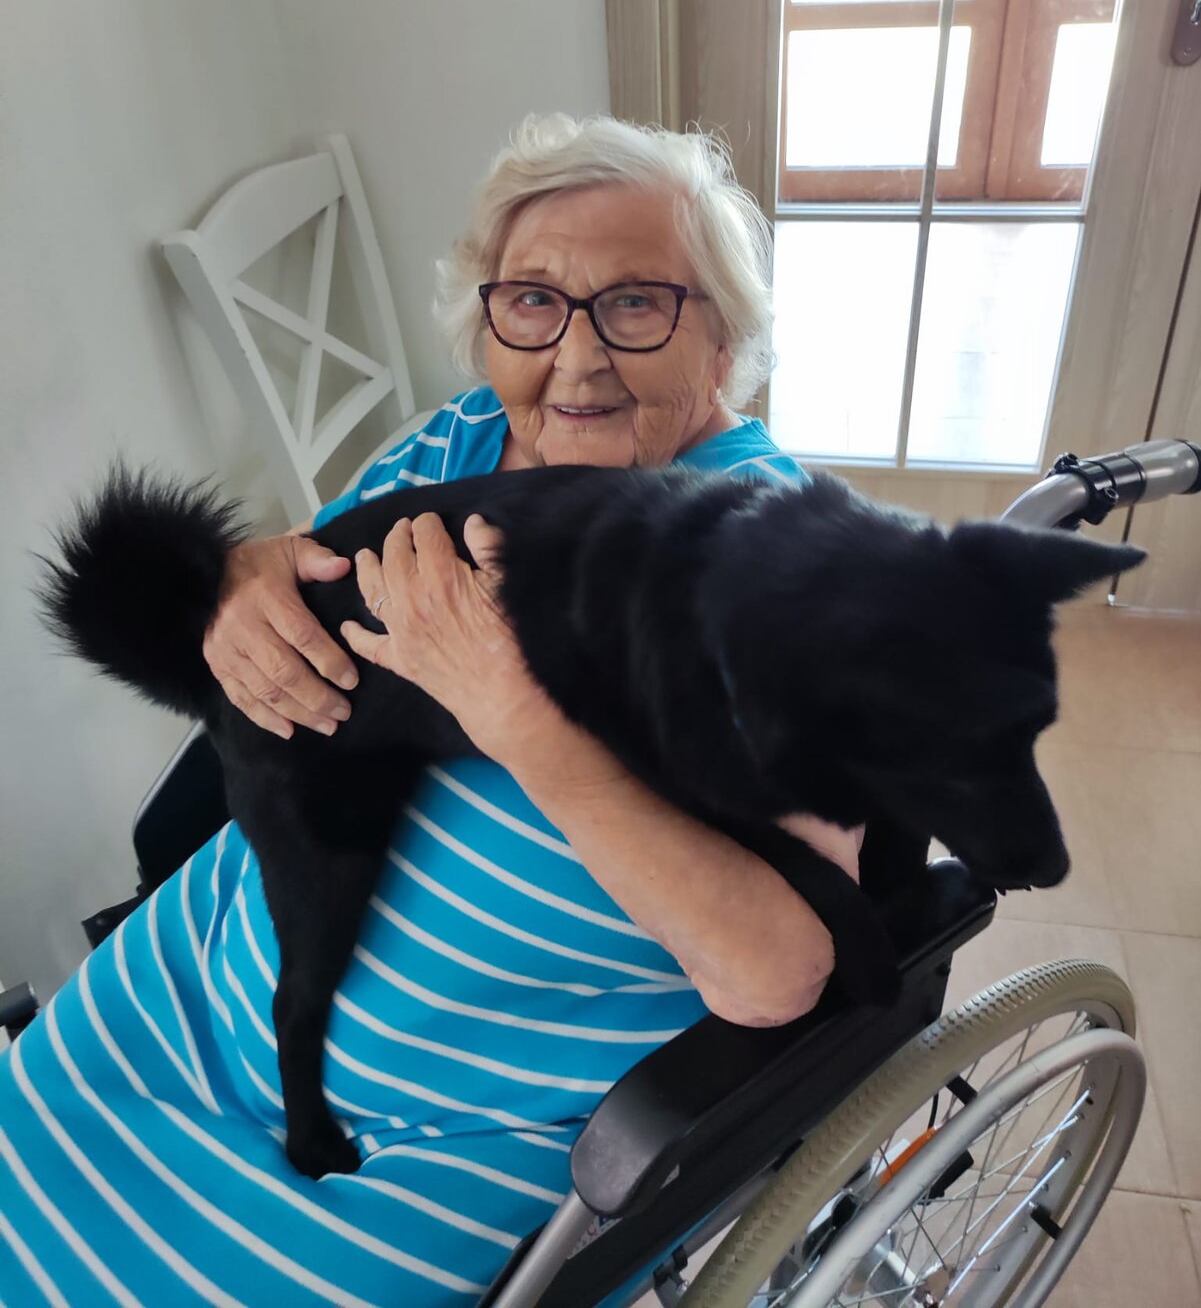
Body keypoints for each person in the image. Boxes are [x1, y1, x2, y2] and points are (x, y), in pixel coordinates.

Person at [0, 115, 861, 1307]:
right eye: (533, 303)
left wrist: (521, 719)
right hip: (196, 982)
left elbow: (778, 971)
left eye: (636, 304)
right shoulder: (450, 441)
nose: (577, 359)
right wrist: (241, 590)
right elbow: (294, 646)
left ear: (720, 342)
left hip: (441, 1134)